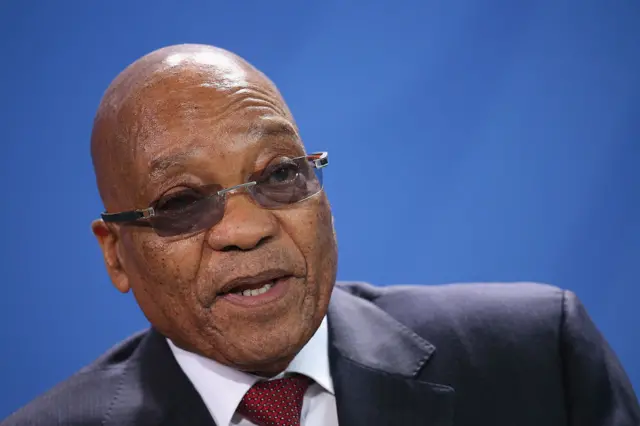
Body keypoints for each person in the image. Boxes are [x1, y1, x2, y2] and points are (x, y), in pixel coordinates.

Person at [2, 44, 638, 426]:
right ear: (117, 255)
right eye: (183, 202)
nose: (247, 228)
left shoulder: (536, 358)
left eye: (280, 173)